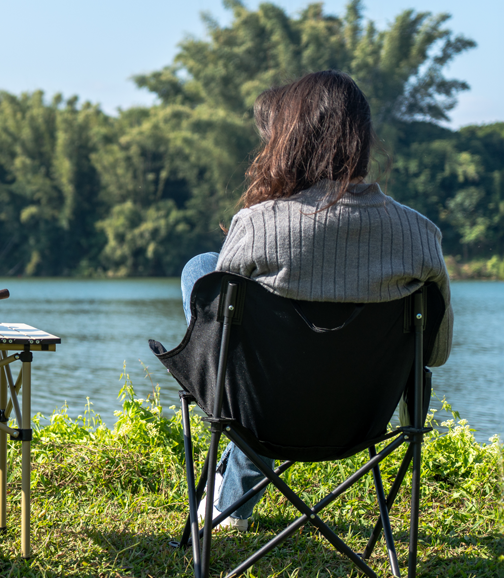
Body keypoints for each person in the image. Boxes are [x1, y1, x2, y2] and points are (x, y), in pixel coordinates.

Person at [181, 70, 454, 532]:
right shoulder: (421, 234)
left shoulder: (256, 225)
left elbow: (219, 355)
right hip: (363, 419)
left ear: (290, 141)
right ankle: (232, 497)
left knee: (201, 269)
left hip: (265, 411)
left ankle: (228, 493)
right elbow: (435, 353)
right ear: (362, 139)